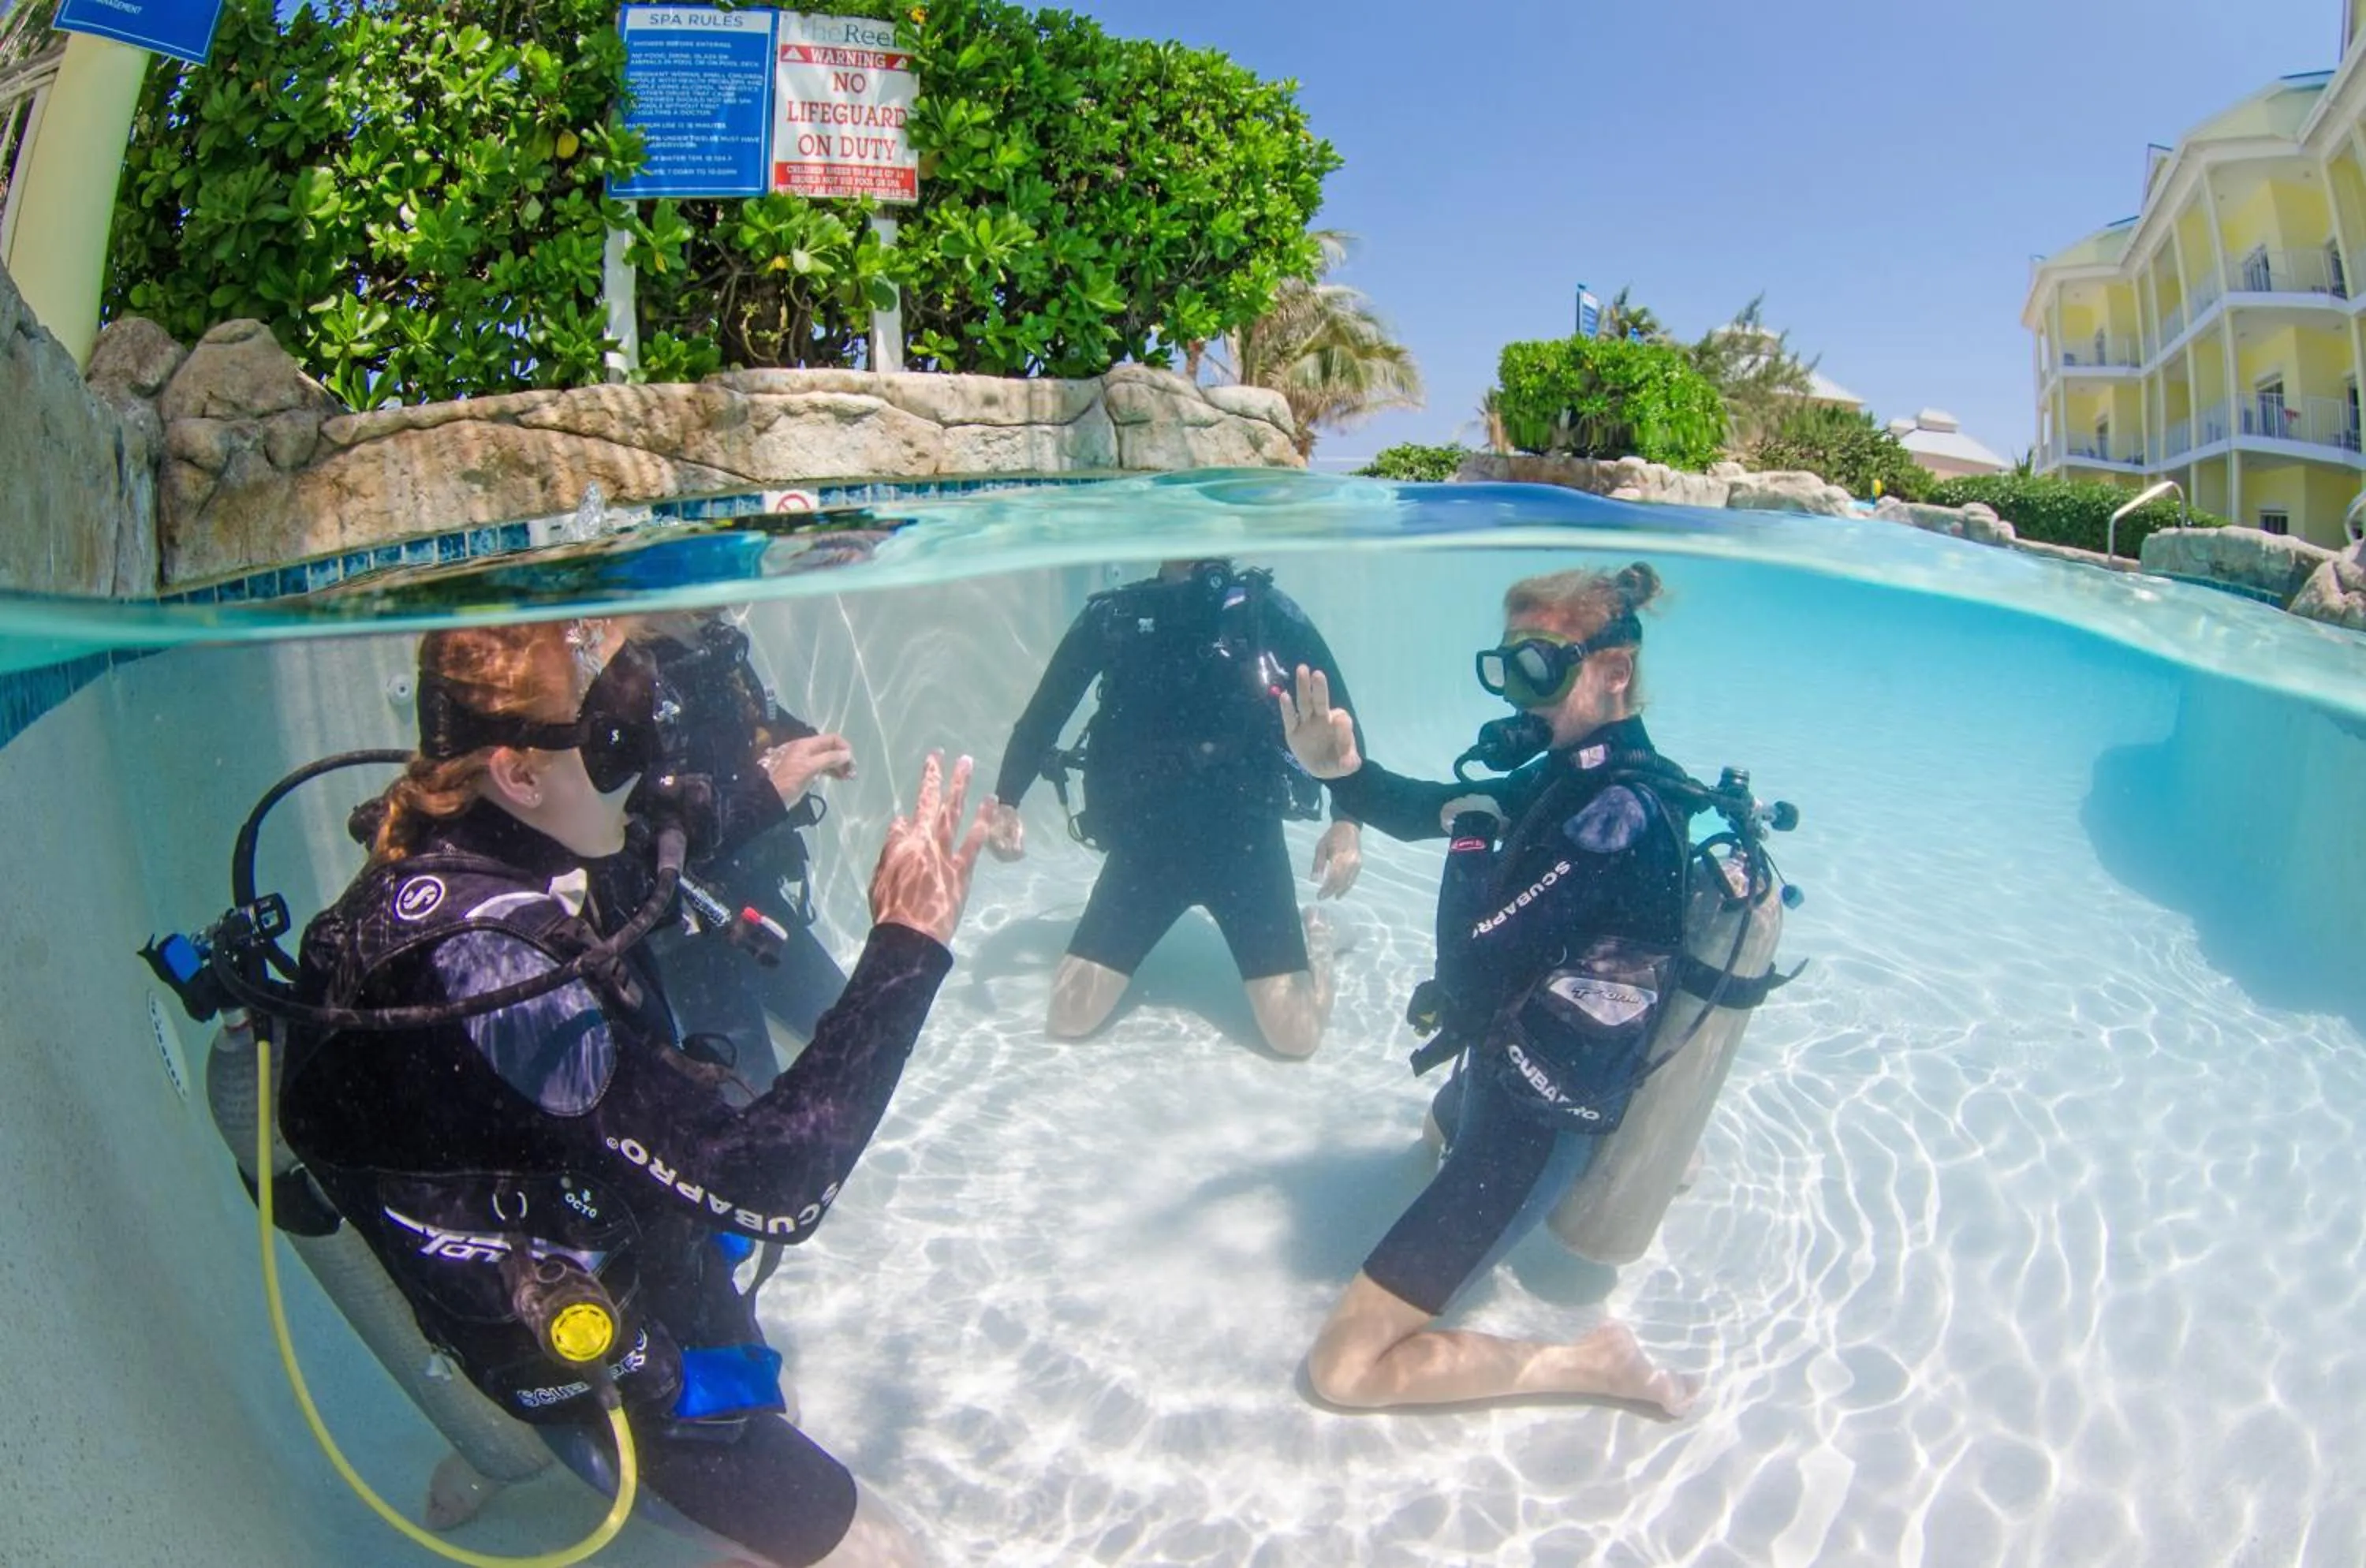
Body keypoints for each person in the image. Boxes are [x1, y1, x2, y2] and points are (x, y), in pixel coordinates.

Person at [275, 618, 987, 1567]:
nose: (647, 765)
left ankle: (531, 1458)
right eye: (616, 744)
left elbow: (645, 836)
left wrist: (759, 789)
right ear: (519, 772)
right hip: (587, 1367)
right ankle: (546, 1457)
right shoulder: (495, 970)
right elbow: (773, 1179)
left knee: (776, 1408)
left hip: (623, 1267)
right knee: (891, 1554)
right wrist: (909, 943)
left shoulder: (474, 842)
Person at [1276, 563, 1700, 1415]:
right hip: (1501, 1066)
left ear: (1613, 671)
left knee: (1343, 1369)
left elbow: (1468, 968)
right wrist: (1344, 772)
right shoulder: (1571, 776)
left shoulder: (1619, 817)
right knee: (1437, 1127)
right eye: (1505, 668)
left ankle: (1592, 1358)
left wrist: (1473, 831)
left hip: (1535, 1123)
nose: (1518, 697)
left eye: (1539, 669)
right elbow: (1427, 803)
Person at [978, 559, 1362, 1057]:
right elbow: (1042, 717)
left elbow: (1340, 725)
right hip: (1147, 848)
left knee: (1295, 1038)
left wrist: (1348, 821)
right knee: (1069, 1017)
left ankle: (1319, 937)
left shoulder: (1267, 614)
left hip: (1246, 846)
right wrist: (1007, 800)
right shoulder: (1115, 616)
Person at [626, 610, 857, 1068]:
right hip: (685, 933)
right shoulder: (622, 676)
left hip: (752, 899)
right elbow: (635, 841)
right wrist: (770, 794)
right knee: (748, 1094)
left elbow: (759, 721)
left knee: (855, 1040)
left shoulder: (713, 644)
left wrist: (808, 746)